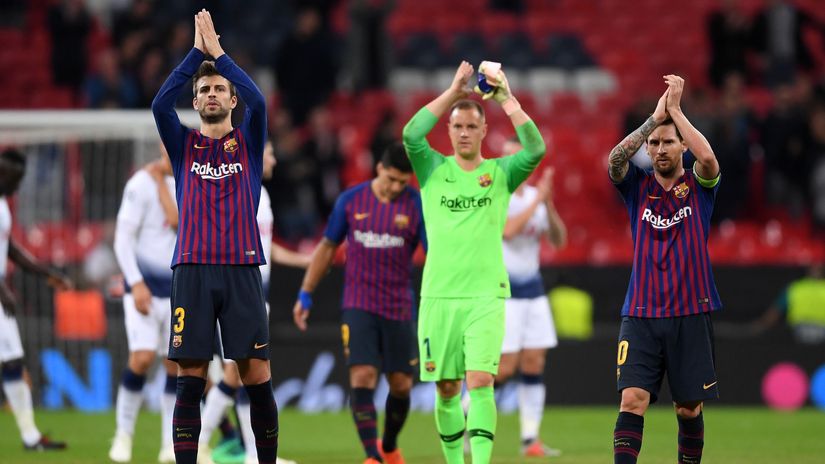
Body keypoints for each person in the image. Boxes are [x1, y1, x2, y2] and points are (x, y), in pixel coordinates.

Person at [402, 61, 546, 464]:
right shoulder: (432, 168)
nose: (464, 132)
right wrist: (454, 92)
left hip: (486, 295)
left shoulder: (501, 173)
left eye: (471, 126)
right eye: (458, 126)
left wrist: (507, 99)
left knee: (481, 380)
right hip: (439, 295)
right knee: (447, 388)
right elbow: (411, 133)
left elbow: (536, 149)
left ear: (484, 131)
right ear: (449, 131)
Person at [151, 10, 277, 464]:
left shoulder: (249, 140)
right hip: (192, 270)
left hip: (242, 269)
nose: (210, 94)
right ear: (196, 100)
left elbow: (259, 101)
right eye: (203, 89)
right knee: (190, 379)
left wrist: (218, 54)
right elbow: (159, 106)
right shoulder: (183, 145)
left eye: (219, 88)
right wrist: (195, 54)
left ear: (231, 98)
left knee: (256, 377)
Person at [608, 75, 722, 464]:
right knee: (632, 399)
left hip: (690, 311)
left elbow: (709, 161)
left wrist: (675, 111)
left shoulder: (699, 186)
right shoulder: (637, 187)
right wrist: (654, 120)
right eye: (654, 143)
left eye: (668, 141)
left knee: (688, 408)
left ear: (682, 145)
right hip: (640, 314)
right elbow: (615, 161)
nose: (659, 149)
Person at [293, 142, 426, 464]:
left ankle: (389, 446)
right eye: (391, 178)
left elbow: (435, 254)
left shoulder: (416, 204)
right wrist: (305, 292)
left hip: (399, 306)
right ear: (379, 168)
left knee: (401, 385)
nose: (396, 187)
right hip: (359, 303)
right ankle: (372, 456)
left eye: (402, 182)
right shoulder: (352, 200)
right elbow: (327, 247)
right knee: (363, 375)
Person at [199, 140, 308, 464]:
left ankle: (250, 454)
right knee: (235, 374)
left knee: (248, 376)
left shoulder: (263, 196)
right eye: (269, 153)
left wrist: (304, 261)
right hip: (238, 295)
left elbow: (265, 245)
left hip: (259, 294)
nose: (273, 159)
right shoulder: (235, 191)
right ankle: (198, 445)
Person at [497, 138, 567, 457]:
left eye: (518, 158)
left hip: (533, 290)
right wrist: (538, 198)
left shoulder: (535, 201)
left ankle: (530, 439)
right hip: (505, 292)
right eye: (508, 158)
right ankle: (467, 418)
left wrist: (547, 204)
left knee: (534, 361)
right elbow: (507, 231)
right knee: (504, 369)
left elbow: (559, 240)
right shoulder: (495, 195)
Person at [109, 144, 179, 463]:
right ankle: (123, 435)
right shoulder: (140, 184)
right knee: (141, 358)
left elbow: (180, 222)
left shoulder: (191, 181)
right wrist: (135, 282)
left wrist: (162, 183)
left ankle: (169, 444)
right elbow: (123, 238)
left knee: (175, 365)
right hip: (144, 289)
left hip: (178, 289)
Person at [0, 148, 72, 451]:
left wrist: (45, 273)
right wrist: (3, 290)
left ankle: (30, 437)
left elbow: (9, 248)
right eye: (15, 179)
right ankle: (30, 436)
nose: (18, 185)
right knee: (12, 361)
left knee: (12, 361)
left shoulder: (3, 206)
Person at [746, 263, 825, 344]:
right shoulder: (795, 288)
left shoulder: (794, 287)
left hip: (803, 332)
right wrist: (759, 327)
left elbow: (773, 313)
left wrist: (759, 326)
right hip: (799, 331)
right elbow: (775, 312)